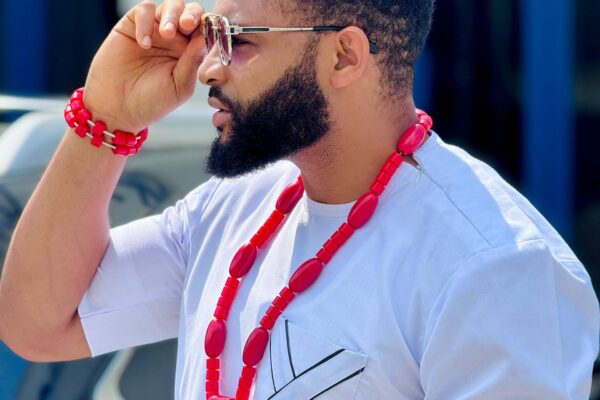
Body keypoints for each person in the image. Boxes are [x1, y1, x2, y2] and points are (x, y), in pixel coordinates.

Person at [0, 0, 598, 399]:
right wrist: (106, 116)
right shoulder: (233, 206)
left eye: (236, 39)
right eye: (210, 37)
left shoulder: (498, 269)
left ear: (344, 56)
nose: (207, 68)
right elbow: (39, 324)